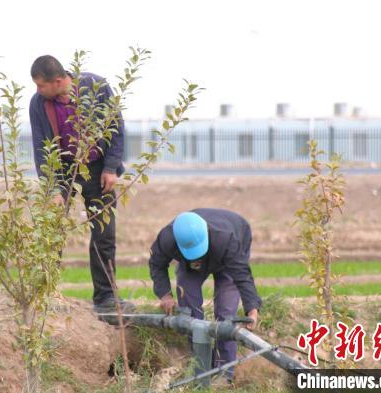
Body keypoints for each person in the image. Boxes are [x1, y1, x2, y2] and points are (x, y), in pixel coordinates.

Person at [28, 55, 130, 313]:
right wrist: (52, 188)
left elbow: (116, 127)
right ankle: (46, 294)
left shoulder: (96, 87)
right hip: (61, 168)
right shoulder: (39, 104)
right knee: (52, 229)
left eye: (41, 85)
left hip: (97, 168)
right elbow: (42, 148)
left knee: (104, 232)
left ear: (59, 81)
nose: (37, 91)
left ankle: (106, 298)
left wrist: (110, 167)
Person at [148, 208, 262, 382]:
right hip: (189, 264)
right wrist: (165, 295)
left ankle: (225, 374)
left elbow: (241, 274)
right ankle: (201, 368)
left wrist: (252, 308)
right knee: (189, 309)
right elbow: (156, 264)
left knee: (226, 313)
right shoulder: (167, 238)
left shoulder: (226, 239)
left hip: (227, 257)